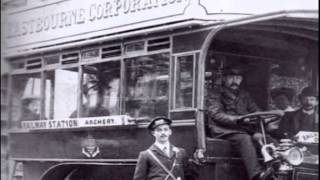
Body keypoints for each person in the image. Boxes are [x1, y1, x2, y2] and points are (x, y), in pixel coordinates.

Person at [207, 66, 273, 180]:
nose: (235, 80)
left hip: (243, 130)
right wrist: (238, 119)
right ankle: (257, 175)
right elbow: (216, 114)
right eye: (231, 77)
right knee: (245, 139)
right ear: (224, 78)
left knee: (270, 140)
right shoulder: (215, 93)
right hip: (223, 130)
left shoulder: (244, 95)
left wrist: (265, 117)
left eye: (238, 78)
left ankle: (277, 169)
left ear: (241, 80)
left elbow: (255, 110)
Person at [133, 117, 198, 180]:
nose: (163, 132)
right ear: (153, 133)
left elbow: (190, 176)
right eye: (159, 130)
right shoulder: (145, 155)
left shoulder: (181, 152)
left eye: (165, 129)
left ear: (170, 132)